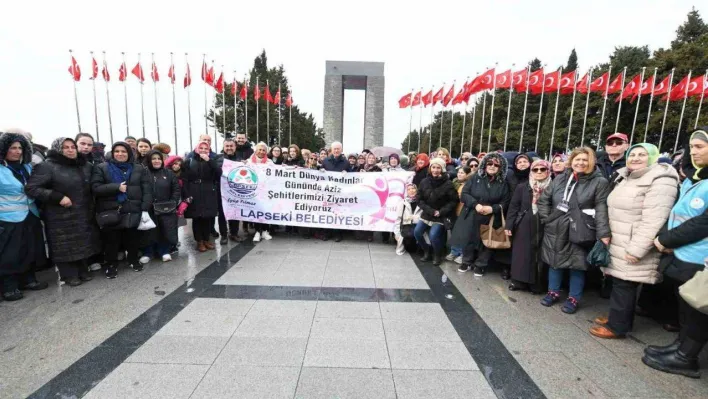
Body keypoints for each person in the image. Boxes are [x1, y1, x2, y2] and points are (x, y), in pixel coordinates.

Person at [587, 143, 678, 339]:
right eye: (632, 154)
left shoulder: (661, 180)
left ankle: (617, 327)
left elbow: (654, 219)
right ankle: (617, 317)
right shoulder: (628, 176)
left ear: (653, 157)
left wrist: (637, 249)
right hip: (621, 239)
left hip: (635, 242)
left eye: (642, 155)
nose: (635, 158)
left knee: (625, 283)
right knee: (620, 281)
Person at [642, 129, 708, 378]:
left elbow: (702, 222)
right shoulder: (696, 179)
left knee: (698, 309)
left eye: (700, 146)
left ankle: (686, 357)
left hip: (700, 257)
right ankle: (680, 346)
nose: (694, 151)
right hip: (683, 253)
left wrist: (666, 239)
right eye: (692, 146)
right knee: (686, 305)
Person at [537, 147, 611, 314]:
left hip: (581, 229)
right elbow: (544, 200)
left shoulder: (599, 182)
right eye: (577, 159)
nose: (581, 163)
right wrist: (547, 219)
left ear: (591, 161)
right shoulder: (561, 178)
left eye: (585, 159)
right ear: (571, 161)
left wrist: (603, 233)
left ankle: (574, 298)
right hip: (556, 227)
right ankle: (553, 292)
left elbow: (602, 209)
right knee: (554, 262)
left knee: (577, 264)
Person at [26, 137, 102, 286]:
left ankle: (82, 269)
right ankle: (68, 274)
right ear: (58, 149)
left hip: (82, 210)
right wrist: (57, 197)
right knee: (64, 244)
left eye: (72, 147)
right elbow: (32, 188)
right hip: (59, 214)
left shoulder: (84, 165)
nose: (70, 150)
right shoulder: (47, 166)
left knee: (83, 241)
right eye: (65, 147)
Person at [92, 142, 152, 278]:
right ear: (112, 153)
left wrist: (144, 206)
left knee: (132, 238)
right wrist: (116, 187)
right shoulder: (102, 168)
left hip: (133, 209)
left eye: (124, 151)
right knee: (111, 241)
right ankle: (111, 265)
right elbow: (95, 188)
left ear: (129, 153)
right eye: (117, 151)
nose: (120, 154)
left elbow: (146, 189)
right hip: (112, 210)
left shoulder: (138, 168)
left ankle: (133, 260)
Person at [0, 132, 49, 300]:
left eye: (20, 148)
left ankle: (29, 279)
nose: (17, 151)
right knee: (10, 253)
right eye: (12, 148)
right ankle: (9, 286)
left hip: (30, 214)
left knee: (31, 248)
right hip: (7, 218)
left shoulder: (27, 167)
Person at [452, 153, 511, 276]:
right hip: (473, 212)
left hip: (490, 216)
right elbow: (465, 194)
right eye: (489, 163)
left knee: (486, 240)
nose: (492, 166)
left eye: (496, 164)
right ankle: (467, 261)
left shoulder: (503, 182)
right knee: (468, 239)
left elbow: (505, 201)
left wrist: (493, 208)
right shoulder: (475, 178)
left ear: (500, 167)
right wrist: (475, 204)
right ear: (484, 164)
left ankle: (480, 264)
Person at [505, 160, 553, 293]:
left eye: (542, 169)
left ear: (548, 171)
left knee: (540, 255)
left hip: (545, 225)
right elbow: (514, 207)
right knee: (522, 254)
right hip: (524, 224)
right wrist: (509, 225)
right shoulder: (523, 187)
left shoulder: (554, 187)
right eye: (535, 169)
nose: (538, 172)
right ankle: (519, 281)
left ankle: (537, 284)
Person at [414, 158, 459, 265]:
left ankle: (437, 254)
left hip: (440, 215)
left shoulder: (448, 184)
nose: (435, 170)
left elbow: (454, 201)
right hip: (427, 213)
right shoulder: (424, 181)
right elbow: (419, 199)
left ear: (442, 169)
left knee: (434, 235)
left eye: (438, 167)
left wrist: (441, 211)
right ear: (430, 168)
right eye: (433, 167)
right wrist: (430, 210)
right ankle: (426, 251)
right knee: (417, 232)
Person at [139, 150, 180, 262]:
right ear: (149, 160)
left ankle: (165, 251)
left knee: (164, 230)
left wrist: (172, 202)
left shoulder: (168, 173)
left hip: (165, 208)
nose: (156, 161)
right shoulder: (143, 173)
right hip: (148, 208)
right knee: (148, 231)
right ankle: (148, 252)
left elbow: (176, 189)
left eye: (158, 158)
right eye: (153, 158)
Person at [183, 141, 222, 252]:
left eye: (206, 148)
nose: (204, 150)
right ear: (197, 149)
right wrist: (186, 194)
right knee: (197, 218)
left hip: (208, 191)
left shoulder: (212, 161)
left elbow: (219, 173)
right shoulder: (189, 161)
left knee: (208, 217)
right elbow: (185, 179)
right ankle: (199, 241)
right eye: (201, 148)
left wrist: (209, 161)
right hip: (194, 191)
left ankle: (206, 239)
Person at [321, 141, 350, 242]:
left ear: (341, 150)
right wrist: (321, 171)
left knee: (338, 213)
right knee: (327, 213)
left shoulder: (346, 162)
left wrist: (348, 173)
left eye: (338, 149)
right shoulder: (325, 161)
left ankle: (338, 234)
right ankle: (326, 233)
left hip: (340, 193)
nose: (336, 150)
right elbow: (319, 173)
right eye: (335, 149)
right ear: (331, 150)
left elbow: (352, 176)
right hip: (328, 192)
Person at [446, 166, 474, 264]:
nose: (459, 174)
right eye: (459, 172)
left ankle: (462, 253)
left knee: (463, 234)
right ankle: (454, 251)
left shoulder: (470, 185)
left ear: (467, 174)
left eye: (462, 173)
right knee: (455, 232)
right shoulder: (455, 183)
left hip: (464, 212)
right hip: (455, 211)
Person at [216, 138, 242, 243]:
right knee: (222, 213)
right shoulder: (217, 158)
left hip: (235, 191)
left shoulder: (240, 159)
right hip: (221, 190)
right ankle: (224, 235)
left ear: (235, 147)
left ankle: (234, 233)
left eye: (231, 146)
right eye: (227, 146)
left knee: (234, 212)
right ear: (224, 147)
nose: (229, 148)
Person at [247, 142, 274, 242]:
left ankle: (265, 231)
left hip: (266, 191)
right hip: (254, 191)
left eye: (264, 150)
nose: (262, 152)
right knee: (256, 211)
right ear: (256, 150)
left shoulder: (270, 162)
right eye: (260, 149)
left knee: (265, 211)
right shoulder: (249, 161)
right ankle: (257, 231)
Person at [394, 184, 422, 255]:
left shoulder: (421, 202)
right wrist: (397, 234)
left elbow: (425, 217)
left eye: (413, 188)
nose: (411, 191)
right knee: (410, 246)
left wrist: (415, 218)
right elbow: (398, 219)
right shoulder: (402, 203)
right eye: (408, 189)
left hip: (420, 227)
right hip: (407, 228)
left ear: (417, 190)